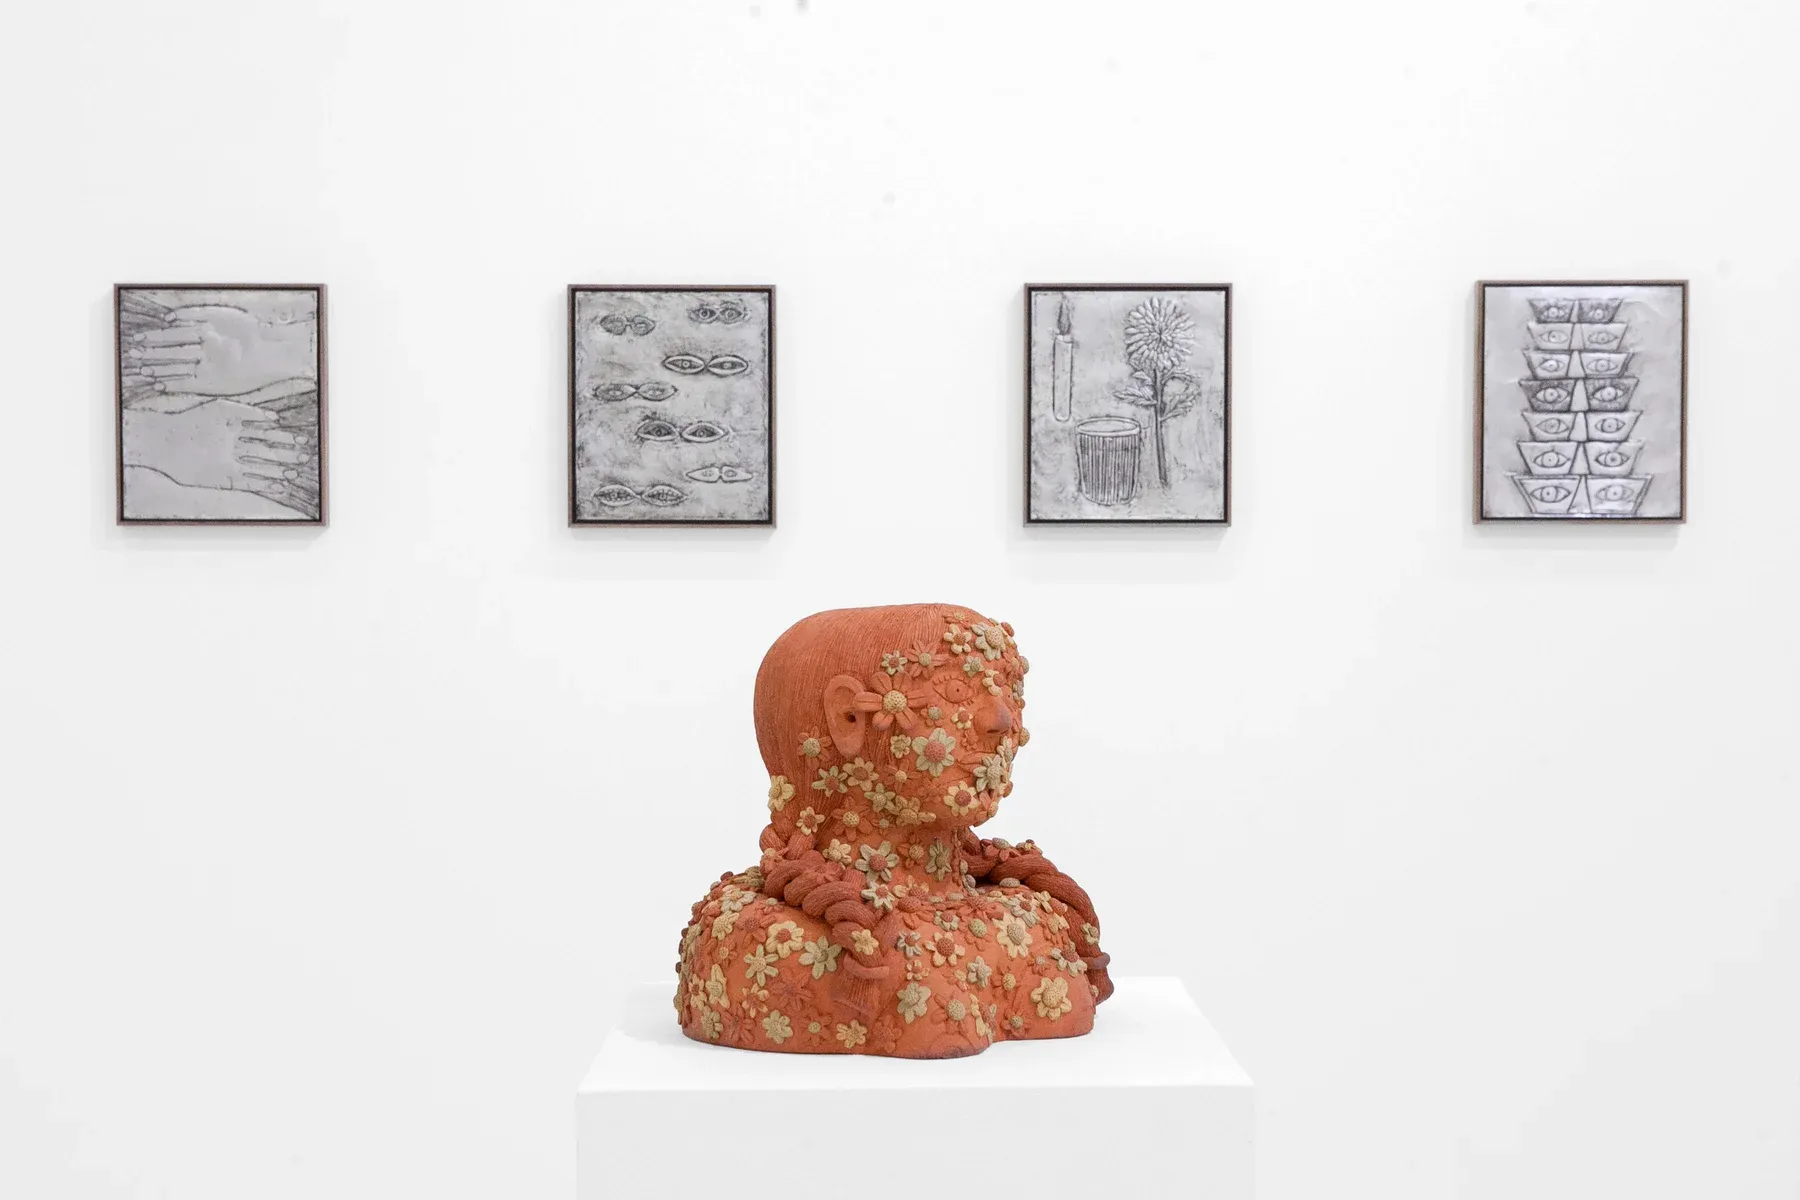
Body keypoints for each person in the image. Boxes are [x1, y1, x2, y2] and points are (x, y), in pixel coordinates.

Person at [674, 604, 1112, 1057]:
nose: (1000, 720)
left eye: (1009, 690)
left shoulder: (1033, 917)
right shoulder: (769, 936)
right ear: (849, 718)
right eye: (955, 689)